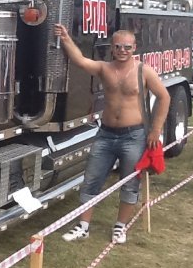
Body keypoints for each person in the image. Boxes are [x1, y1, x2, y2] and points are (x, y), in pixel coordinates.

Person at [54, 24, 170, 244]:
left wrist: (156, 130)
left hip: (134, 136)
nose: (122, 50)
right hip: (106, 134)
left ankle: (120, 227)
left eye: (127, 47)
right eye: (118, 46)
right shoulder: (104, 68)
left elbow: (164, 97)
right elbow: (80, 61)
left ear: (134, 48)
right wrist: (66, 38)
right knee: (91, 180)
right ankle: (83, 226)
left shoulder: (143, 71)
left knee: (129, 183)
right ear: (112, 48)